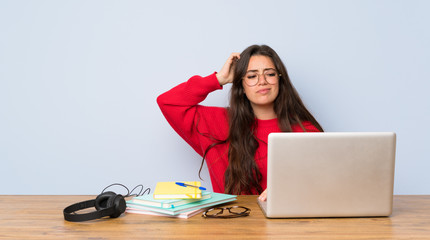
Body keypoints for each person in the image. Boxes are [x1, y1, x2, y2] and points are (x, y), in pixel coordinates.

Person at [157, 45, 323, 201]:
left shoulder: (306, 132)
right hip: (231, 226)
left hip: (287, 227)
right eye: (251, 76)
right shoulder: (217, 123)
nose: (262, 81)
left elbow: (324, 186)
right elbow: (167, 102)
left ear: (280, 80)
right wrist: (218, 79)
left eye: (270, 74)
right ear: (241, 85)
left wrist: (289, 190)